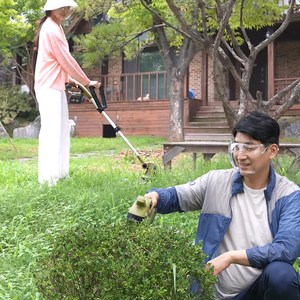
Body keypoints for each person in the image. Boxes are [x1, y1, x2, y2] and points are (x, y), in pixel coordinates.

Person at [145, 111, 300, 300]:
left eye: (249, 147)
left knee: (281, 275)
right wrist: (156, 196)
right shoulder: (216, 182)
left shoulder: (289, 195)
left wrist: (231, 257)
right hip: (210, 293)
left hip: (256, 293)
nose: (240, 156)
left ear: (272, 151)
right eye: (236, 147)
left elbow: (286, 249)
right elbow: (177, 196)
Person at [34, 0, 100, 186]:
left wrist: (70, 80)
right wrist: (87, 81)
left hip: (55, 85)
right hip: (48, 87)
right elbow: (66, 60)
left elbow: (55, 61)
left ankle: (60, 173)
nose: (65, 11)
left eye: (67, 8)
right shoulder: (51, 29)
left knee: (62, 131)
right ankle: (48, 179)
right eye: (61, 8)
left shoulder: (56, 27)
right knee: (52, 132)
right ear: (51, 9)